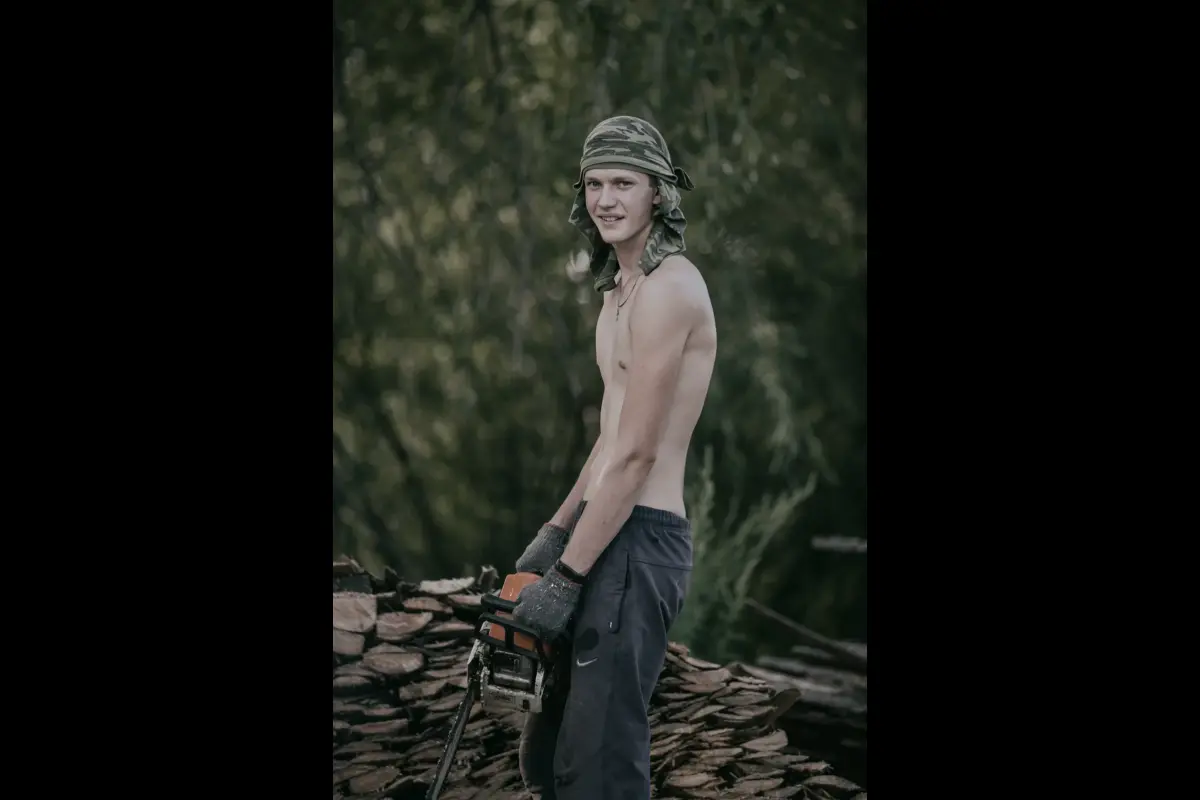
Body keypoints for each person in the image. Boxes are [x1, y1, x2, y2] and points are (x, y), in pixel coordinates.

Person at [510, 115, 718, 800]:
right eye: (595, 184)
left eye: (623, 183)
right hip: (602, 528)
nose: (605, 199)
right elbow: (610, 436)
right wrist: (557, 529)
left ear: (658, 191)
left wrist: (567, 578)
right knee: (550, 755)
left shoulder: (670, 289)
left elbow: (637, 457)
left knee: (599, 765)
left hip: (640, 539)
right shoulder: (618, 290)